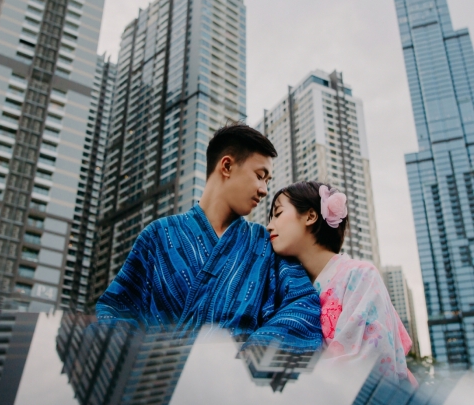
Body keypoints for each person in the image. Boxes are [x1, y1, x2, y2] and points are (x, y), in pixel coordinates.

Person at [96, 123, 323, 352]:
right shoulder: (158, 236)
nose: (264, 190)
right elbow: (115, 311)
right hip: (158, 381)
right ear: (226, 166)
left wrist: (247, 358)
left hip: (234, 383)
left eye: (268, 181)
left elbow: (302, 306)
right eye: (260, 176)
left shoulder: (267, 245)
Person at [266, 181, 415, 382]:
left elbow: (372, 360)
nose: (269, 225)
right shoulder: (287, 288)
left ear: (310, 216)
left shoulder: (361, 275)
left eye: (278, 213)